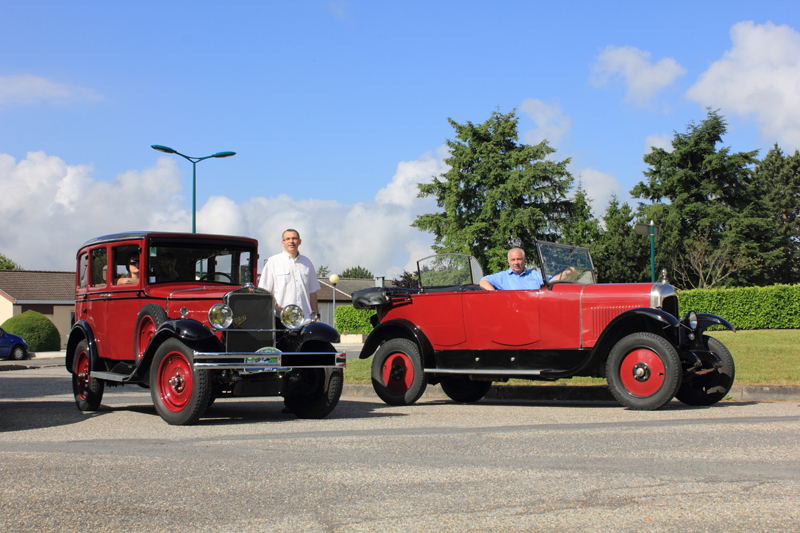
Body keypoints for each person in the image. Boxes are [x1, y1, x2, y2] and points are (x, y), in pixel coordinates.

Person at [258, 229, 321, 321]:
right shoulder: (273, 262)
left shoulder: (307, 263)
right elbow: (264, 291)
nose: (291, 241)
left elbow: (312, 293)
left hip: (305, 320)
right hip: (281, 319)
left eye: (294, 238)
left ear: (299, 242)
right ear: (282, 243)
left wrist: (317, 317)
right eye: (287, 239)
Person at [479, 247, 576, 291]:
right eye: (513, 260)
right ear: (508, 261)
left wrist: (567, 273)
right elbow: (483, 281)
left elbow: (551, 280)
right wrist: (494, 295)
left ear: (524, 260)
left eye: (519, 259)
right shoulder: (502, 276)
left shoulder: (534, 274)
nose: (516, 262)